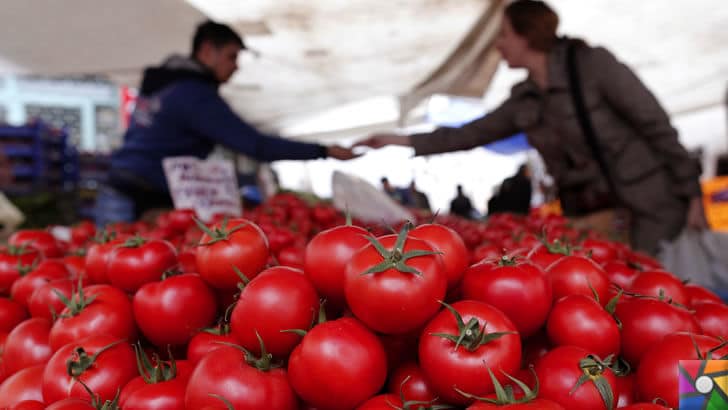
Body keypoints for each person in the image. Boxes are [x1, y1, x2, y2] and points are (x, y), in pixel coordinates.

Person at [356, 0, 705, 254]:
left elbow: (656, 126)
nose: (498, 44)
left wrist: (691, 194)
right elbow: (469, 134)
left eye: (505, 34)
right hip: (593, 216)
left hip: (648, 206)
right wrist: (397, 140)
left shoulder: (592, 65)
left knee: (660, 289)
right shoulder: (525, 99)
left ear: (528, 36)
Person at [103, 20, 355, 222]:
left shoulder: (165, 83)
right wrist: (323, 150)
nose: (236, 66)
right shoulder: (194, 95)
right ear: (207, 51)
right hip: (138, 196)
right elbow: (256, 146)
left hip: (125, 188)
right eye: (232, 56)